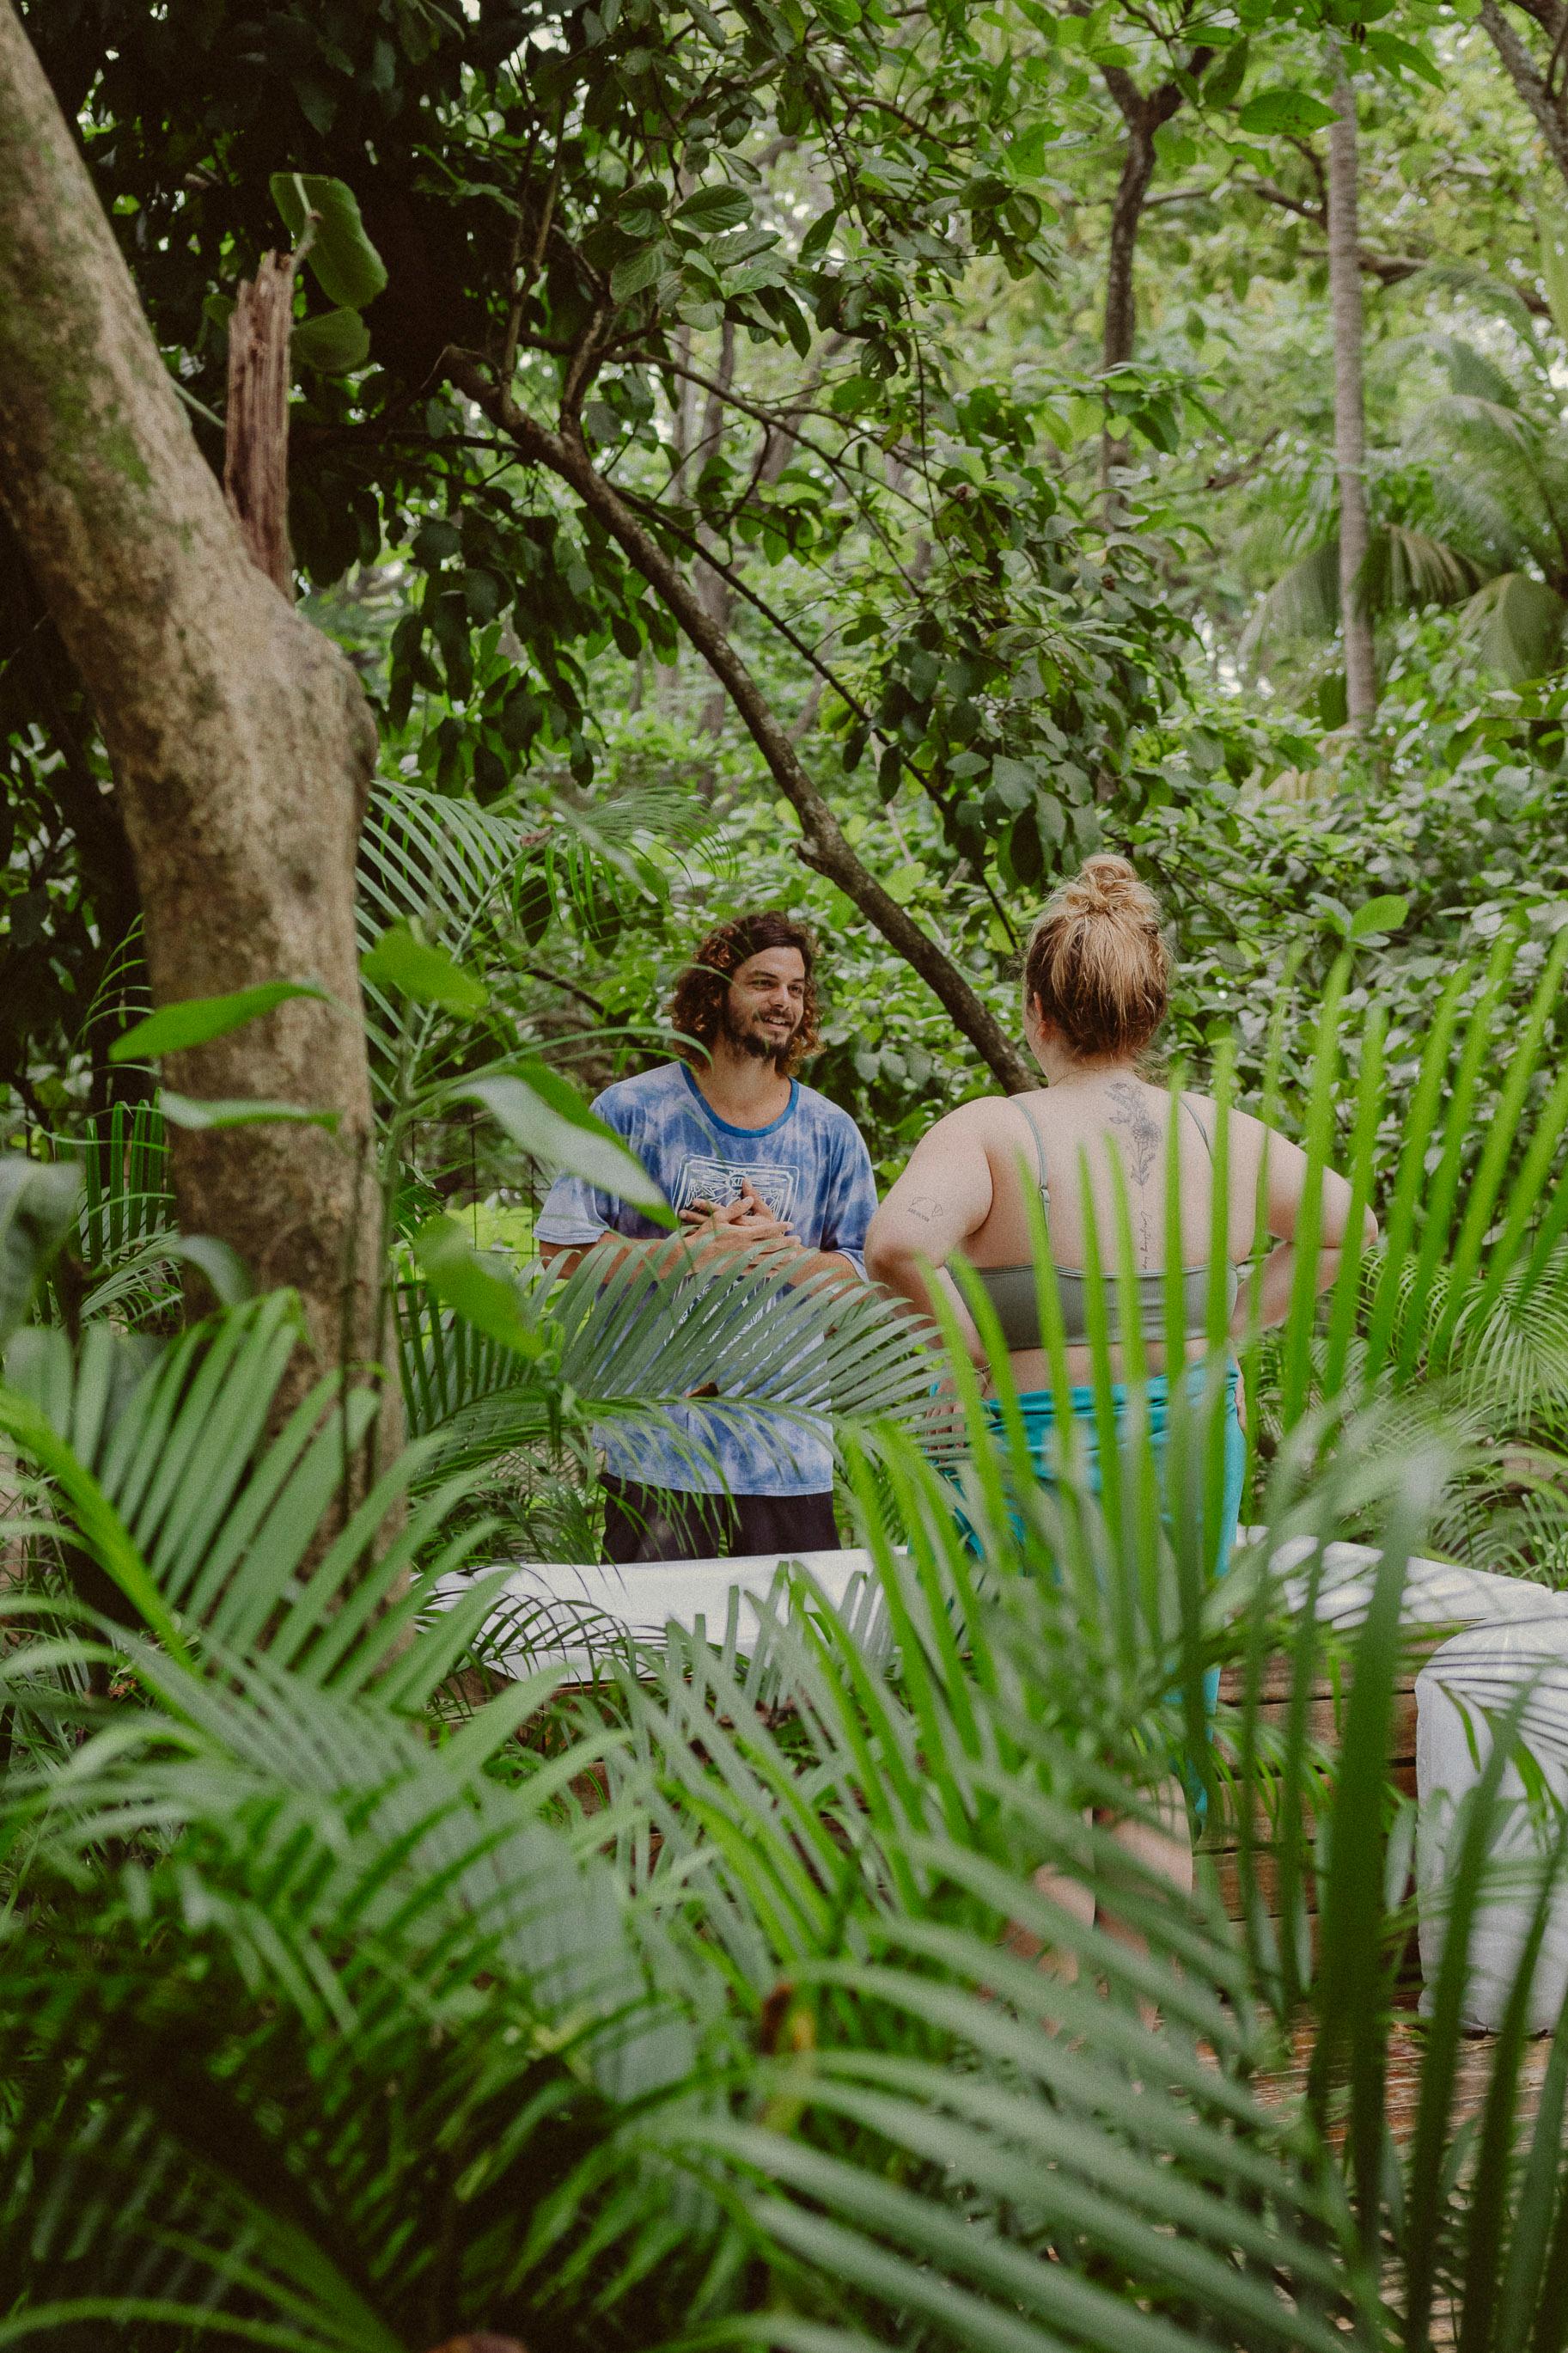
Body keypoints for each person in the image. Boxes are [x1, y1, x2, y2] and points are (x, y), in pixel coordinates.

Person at [864, 852, 1374, 1965]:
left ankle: (1045, 2103)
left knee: (1043, 1765)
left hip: (1036, 1468)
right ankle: (1148, 2093)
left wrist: (966, 1356)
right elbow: (1350, 1228)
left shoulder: (995, 1131)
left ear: (1037, 1011)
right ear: (1149, 1012)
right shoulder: (1220, 1136)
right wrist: (1233, 1328)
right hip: (1187, 1454)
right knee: (1145, 1760)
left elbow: (897, 1242)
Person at [535, 910, 878, 1565]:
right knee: (653, 1646)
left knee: (795, 1646)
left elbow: (864, 1273)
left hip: (786, 1446)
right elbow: (559, 1250)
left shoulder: (830, 1133)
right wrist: (683, 1255)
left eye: (796, 989)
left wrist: (785, 1261)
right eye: (763, 983)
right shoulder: (632, 1111)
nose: (782, 1001)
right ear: (715, 991)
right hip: (657, 1446)